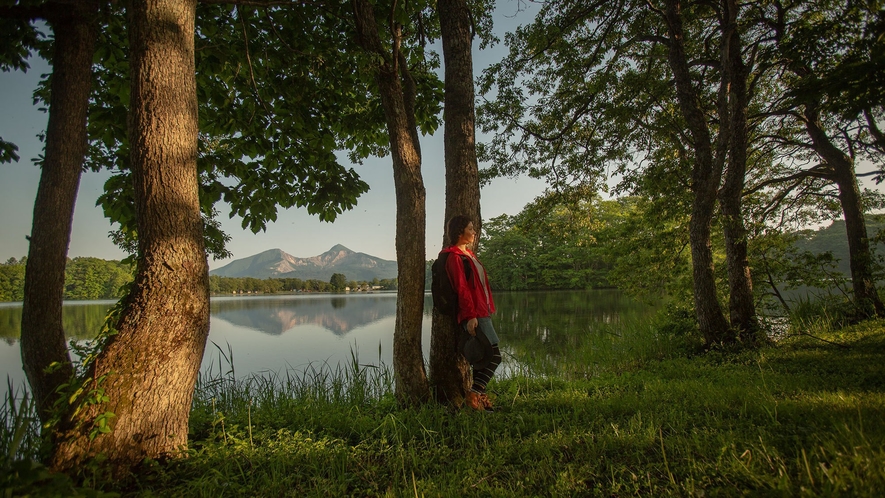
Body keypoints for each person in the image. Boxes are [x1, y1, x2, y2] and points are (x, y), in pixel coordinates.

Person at [442, 215, 501, 411]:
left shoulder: (469, 255)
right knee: (494, 356)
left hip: (482, 310)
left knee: (482, 358)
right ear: (460, 232)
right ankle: (473, 395)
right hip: (474, 314)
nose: (474, 232)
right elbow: (462, 289)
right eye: (470, 228)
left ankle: (479, 400)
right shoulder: (454, 257)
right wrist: (470, 316)